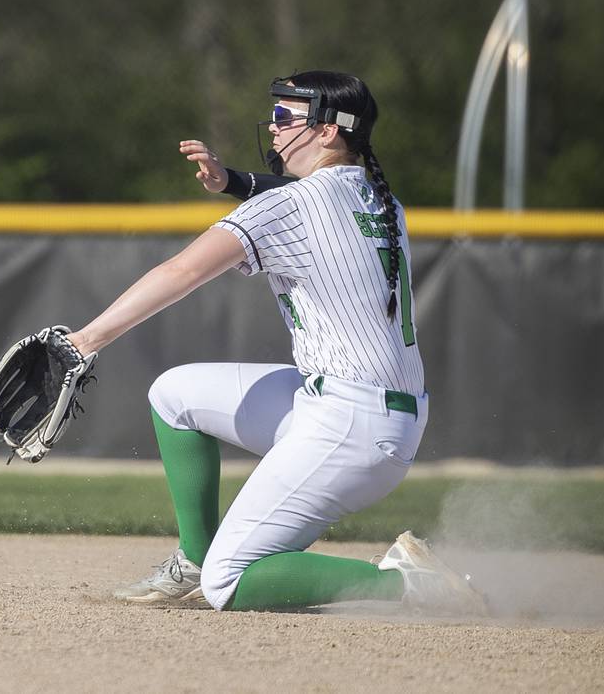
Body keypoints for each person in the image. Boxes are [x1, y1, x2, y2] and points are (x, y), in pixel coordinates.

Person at [67, 70, 485, 614]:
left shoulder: (294, 205)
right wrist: (235, 183)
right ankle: (195, 557)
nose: (273, 125)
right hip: (368, 412)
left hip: (352, 427)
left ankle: (409, 585)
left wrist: (86, 340)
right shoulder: (381, 199)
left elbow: (182, 272)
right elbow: (308, 199)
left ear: (329, 131)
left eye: (286, 116)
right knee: (175, 395)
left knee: (232, 581)